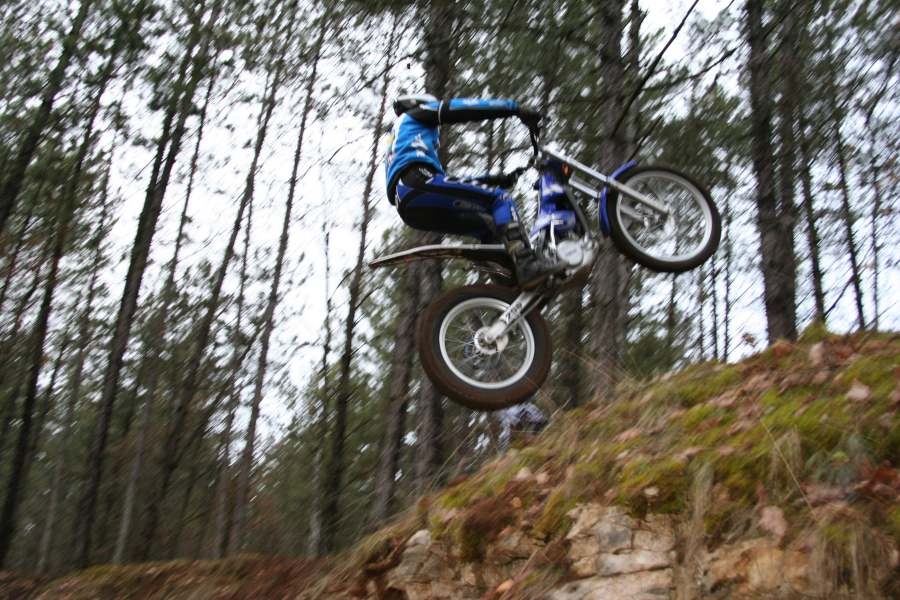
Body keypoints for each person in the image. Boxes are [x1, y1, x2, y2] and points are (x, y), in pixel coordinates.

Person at [384, 94, 564, 289]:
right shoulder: (416, 114)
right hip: (418, 183)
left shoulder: (402, 139)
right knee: (501, 199)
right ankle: (527, 264)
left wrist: (495, 179)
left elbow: (448, 185)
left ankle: (509, 286)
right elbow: (460, 107)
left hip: (409, 203)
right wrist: (514, 108)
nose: (436, 137)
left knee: (486, 228)